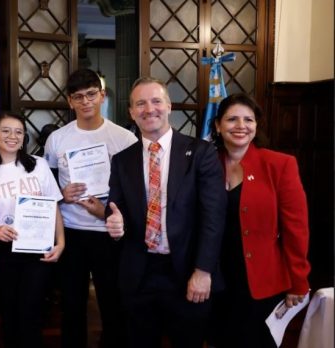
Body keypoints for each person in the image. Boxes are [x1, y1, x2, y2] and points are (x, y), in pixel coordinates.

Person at [102, 76, 226, 347]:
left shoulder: (201, 152)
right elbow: (114, 207)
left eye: (156, 101)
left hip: (187, 272)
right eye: (140, 104)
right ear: (132, 112)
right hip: (139, 274)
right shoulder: (122, 160)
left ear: (169, 106)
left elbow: (213, 218)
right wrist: (114, 223)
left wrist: (203, 271)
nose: (149, 109)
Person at [43, 68, 137, 347]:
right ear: (70, 102)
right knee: (72, 303)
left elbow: (136, 194)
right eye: (78, 97)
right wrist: (62, 194)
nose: (86, 102)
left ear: (102, 96)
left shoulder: (124, 139)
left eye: (91, 95)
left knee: (112, 301)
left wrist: (104, 212)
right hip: (71, 232)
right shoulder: (56, 139)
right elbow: (46, 190)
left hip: (109, 232)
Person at [210, 93, 310, 348]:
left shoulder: (279, 164)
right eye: (232, 119)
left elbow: (296, 229)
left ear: (256, 126)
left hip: (262, 282)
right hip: (216, 280)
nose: (241, 126)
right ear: (218, 125)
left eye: (248, 119)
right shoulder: (206, 164)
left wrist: (298, 280)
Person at [0, 111, 65, 347]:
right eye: (6, 131)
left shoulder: (39, 165)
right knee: (9, 312)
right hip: (4, 250)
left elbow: (53, 206)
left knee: (33, 311)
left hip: (37, 249)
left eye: (19, 132)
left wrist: (61, 242)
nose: (13, 136)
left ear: (24, 138)